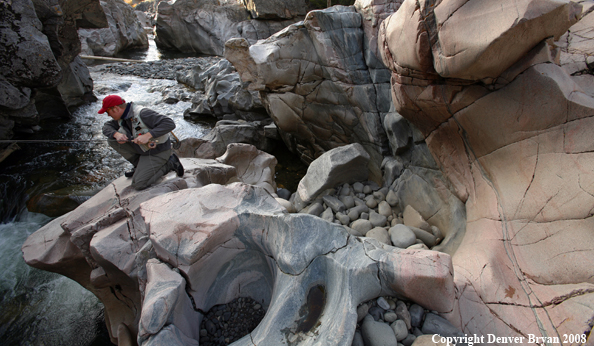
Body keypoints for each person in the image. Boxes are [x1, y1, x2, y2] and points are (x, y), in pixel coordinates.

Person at [99, 95, 184, 190]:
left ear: (115, 109)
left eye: (107, 112)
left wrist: (148, 135)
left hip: (158, 151)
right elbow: (106, 127)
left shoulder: (143, 114)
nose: (108, 115)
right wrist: (116, 134)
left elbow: (169, 123)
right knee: (112, 139)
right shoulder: (122, 116)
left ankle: (170, 163)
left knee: (139, 184)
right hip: (143, 150)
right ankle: (138, 165)